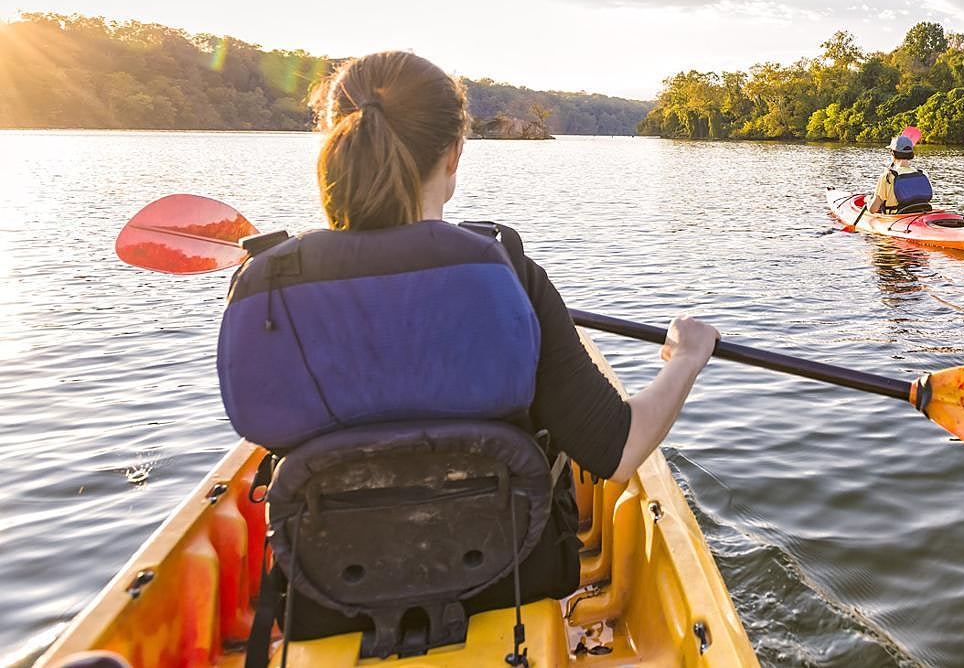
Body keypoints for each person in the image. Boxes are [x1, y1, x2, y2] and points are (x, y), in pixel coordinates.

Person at [217, 51, 718, 640]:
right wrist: (687, 357)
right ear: (454, 155)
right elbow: (620, 449)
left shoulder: (271, 285)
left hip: (326, 603)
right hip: (507, 587)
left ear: (333, 141)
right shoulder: (508, 273)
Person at [870, 133, 933, 214]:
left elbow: (873, 209)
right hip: (919, 214)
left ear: (892, 153)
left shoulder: (887, 177)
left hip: (897, 217)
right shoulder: (921, 173)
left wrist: (868, 201)